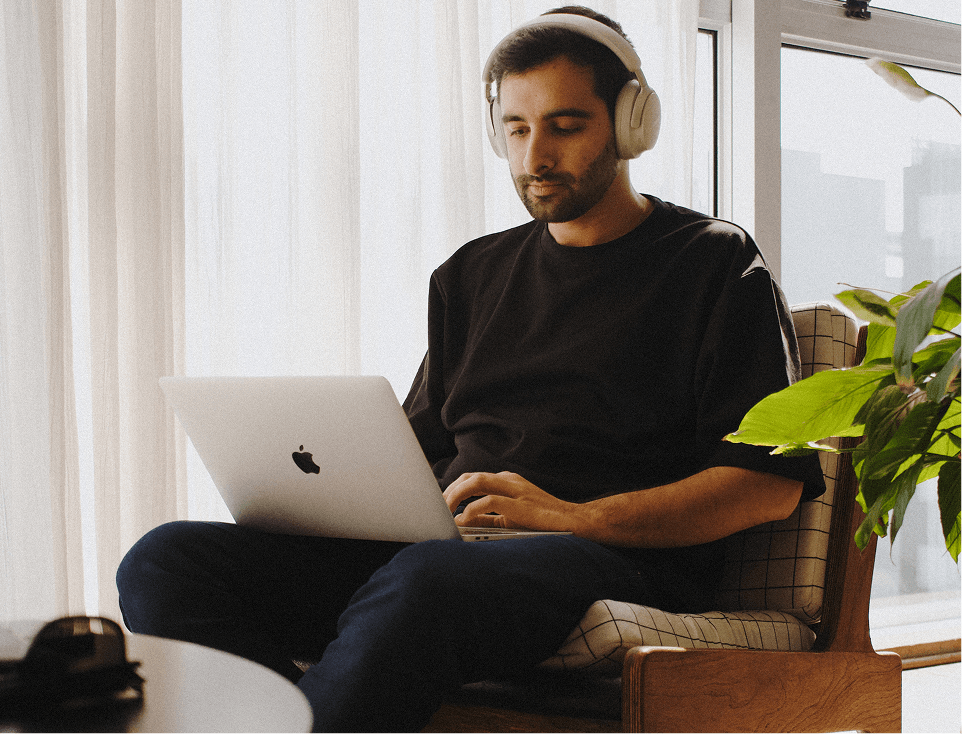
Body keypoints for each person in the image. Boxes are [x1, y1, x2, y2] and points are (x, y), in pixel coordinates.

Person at [117, 6, 825, 732]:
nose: (534, 156)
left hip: (606, 556)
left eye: (565, 125)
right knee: (164, 560)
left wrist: (574, 518)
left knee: (427, 580)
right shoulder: (471, 273)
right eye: (516, 129)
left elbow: (764, 487)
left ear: (631, 122)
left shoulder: (713, 260)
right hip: (448, 557)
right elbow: (416, 453)